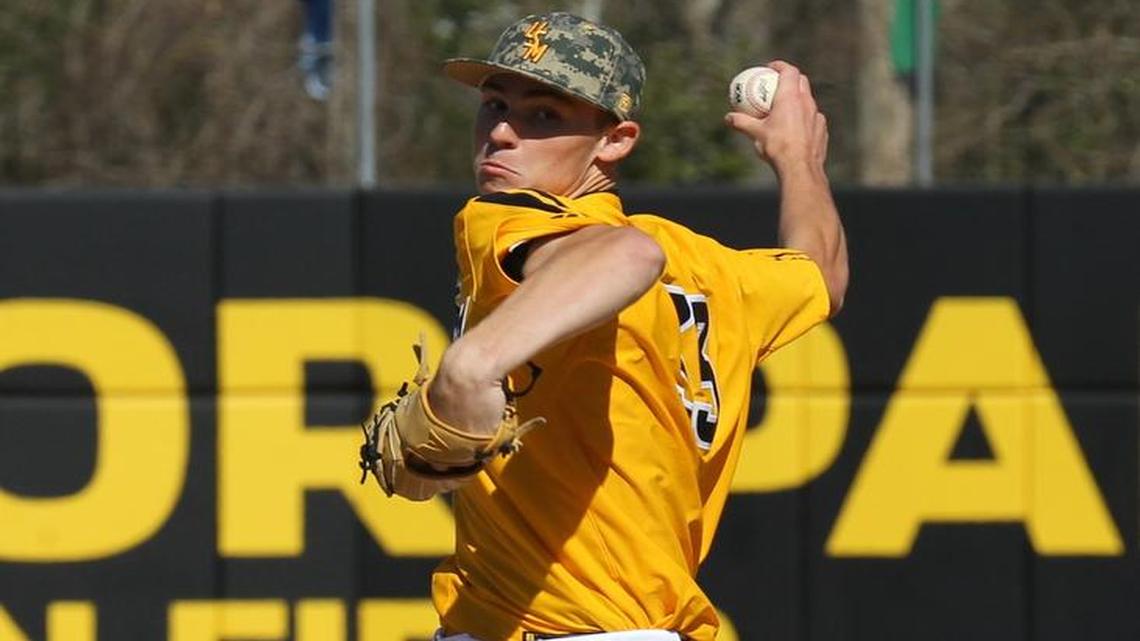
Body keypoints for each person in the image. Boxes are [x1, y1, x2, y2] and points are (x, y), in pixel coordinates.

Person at [382, 11, 847, 641]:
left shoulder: (507, 220)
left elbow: (627, 256)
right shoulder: (705, 268)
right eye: (495, 104)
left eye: (544, 115)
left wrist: (470, 366)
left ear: (616, 140)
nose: (503, 132)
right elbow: (821, 273)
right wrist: (798, 160)